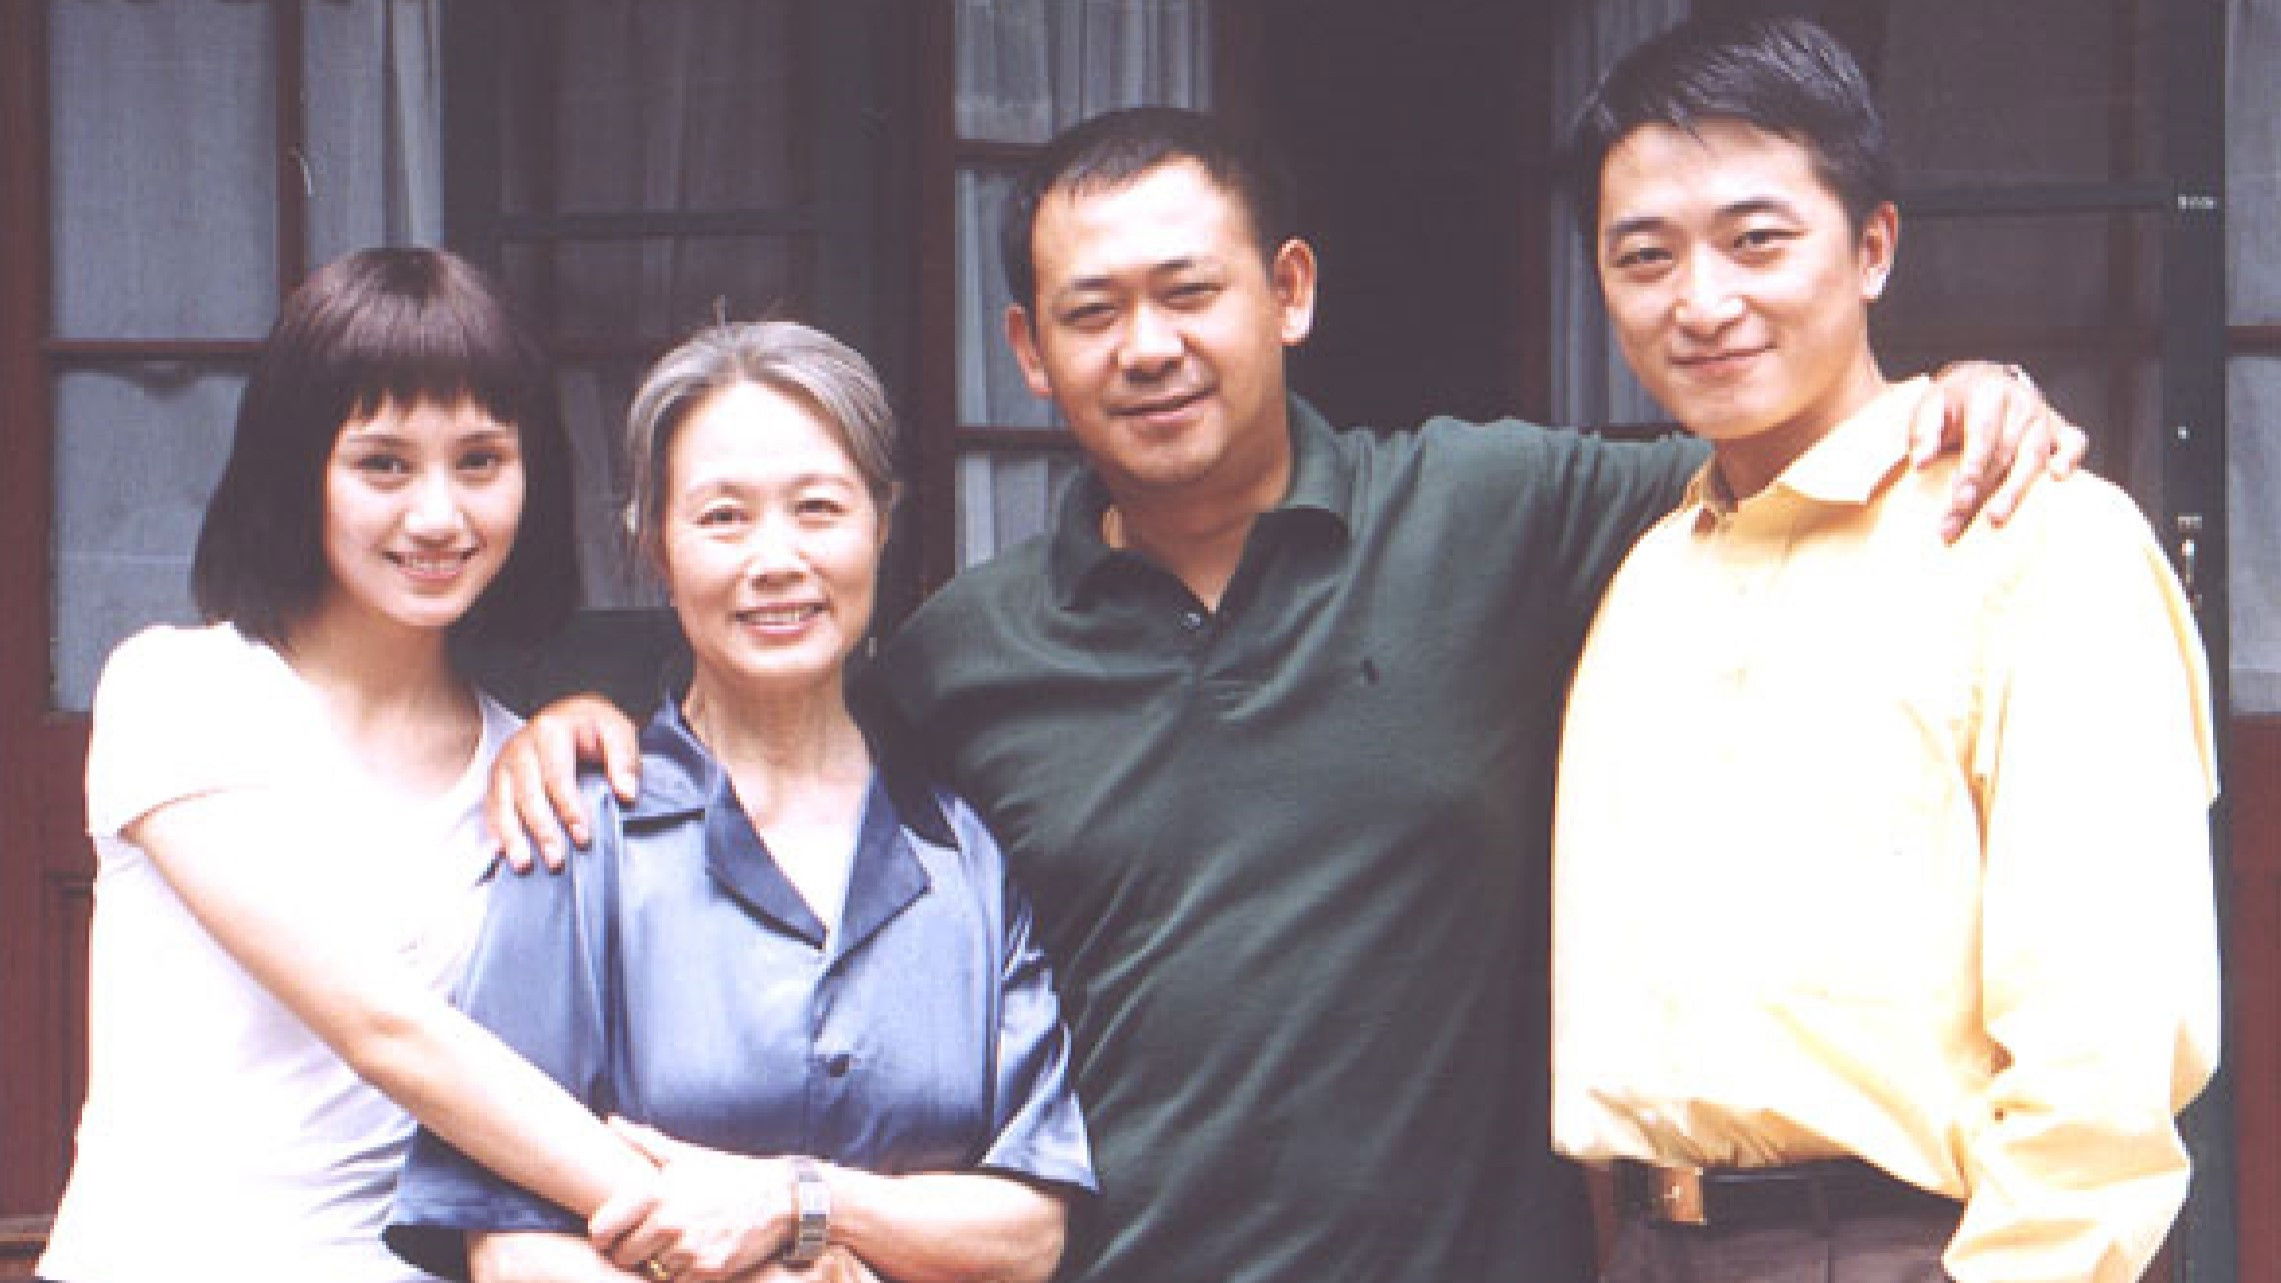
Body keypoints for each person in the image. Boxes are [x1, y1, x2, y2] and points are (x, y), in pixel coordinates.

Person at [487, 109, 2084, 1283]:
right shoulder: (969, 652)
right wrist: (582, 702)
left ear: (1290, 291)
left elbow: (1772, 464)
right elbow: (783, 721)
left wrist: (1945, 396)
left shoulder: (1488, 511)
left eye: (1190, 291)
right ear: (1029, 351)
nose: (1149, 346)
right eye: (1093, 312)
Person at [1549, 18, 2218, 1283]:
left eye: (1756, 240)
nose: (1702, 301)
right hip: (1655, 1242)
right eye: (1644, 256)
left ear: (1872, 247)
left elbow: (2103, 1052)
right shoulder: (1649, 577)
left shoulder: (2035, 541)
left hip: (1915, 1243)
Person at [385, 320, 1093, 1283]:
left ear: (881, 524)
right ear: (655, 548)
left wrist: (799, 1200)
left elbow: (1029, 1233)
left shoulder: (964, 852)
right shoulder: (578, 832)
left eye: (818, 508)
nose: (775, 558)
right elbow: (509, 1244)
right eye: (723, 517)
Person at [36, 248, 679, 1283]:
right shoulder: (179, 688)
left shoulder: (527, 768)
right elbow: (387, 1031)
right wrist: (692, 1220)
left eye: (481, 460)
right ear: (301, 472)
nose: (438, 515)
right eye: (383, 464)